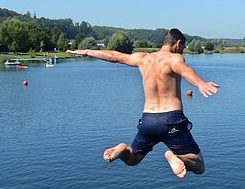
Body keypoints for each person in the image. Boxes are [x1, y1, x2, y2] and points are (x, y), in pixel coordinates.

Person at [67, 29, 219, 178]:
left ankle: (122, 150)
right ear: (178, 43)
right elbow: (184, 71)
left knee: (133, 159)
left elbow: (114, 56)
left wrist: (87, 51)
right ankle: (177, 158)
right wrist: (200, 83)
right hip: (171, 120)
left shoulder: (143, 58)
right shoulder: (174, 58)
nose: (182, 52)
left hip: (148, 121)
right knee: (199, 166)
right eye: (183, 48)